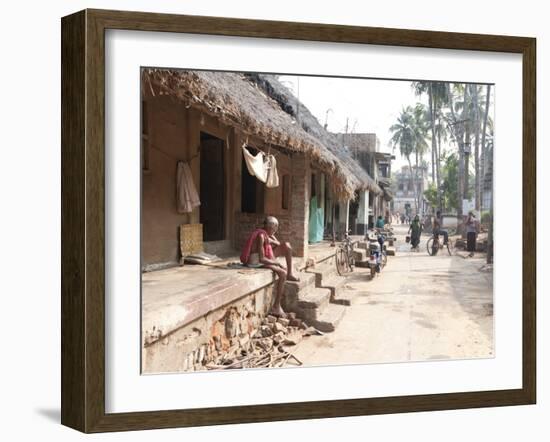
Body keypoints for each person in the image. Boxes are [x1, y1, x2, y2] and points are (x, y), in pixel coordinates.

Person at [240, 216, 299, 317]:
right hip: (256, 261)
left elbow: (278, 244)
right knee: (282, 273)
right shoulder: (261, 236)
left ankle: (290, 273)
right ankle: (276, 306)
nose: (275, 230)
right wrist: (277, 263)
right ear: (271, 227)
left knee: (287, 246)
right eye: (275, 228)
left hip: (261, 259)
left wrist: (273, 240)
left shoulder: (266, 235)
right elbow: (262, 259)